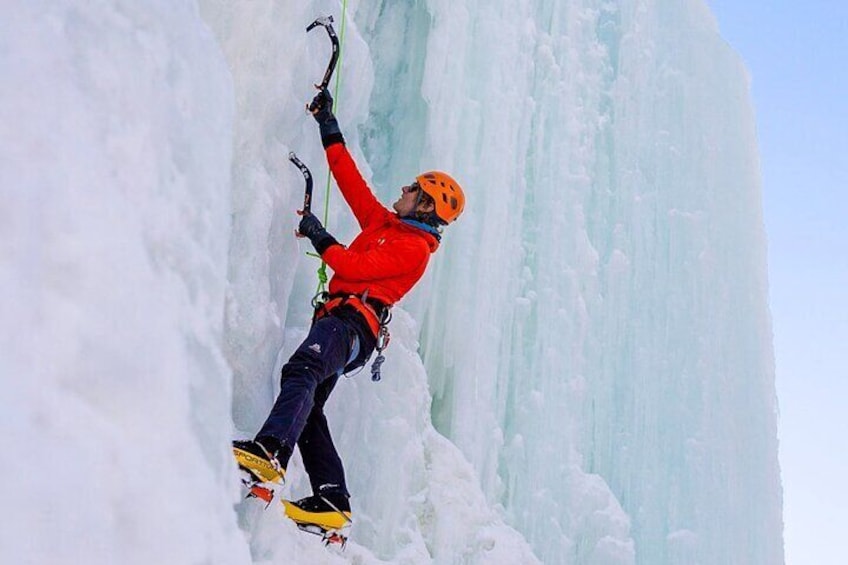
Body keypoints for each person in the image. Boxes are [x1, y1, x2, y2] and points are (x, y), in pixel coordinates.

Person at [233, 87, 465, 532]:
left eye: (413, 188)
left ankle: (269, 454)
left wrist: (320, 236)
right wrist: (328, 125)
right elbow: (350, 181)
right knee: (312, 403)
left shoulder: (414, 248)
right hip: (341, 321)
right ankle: (331, 499)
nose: (404, 188)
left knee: (301, 370)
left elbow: (355, 265)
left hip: (352, 325)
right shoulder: (386, 224)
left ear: (426, 204)